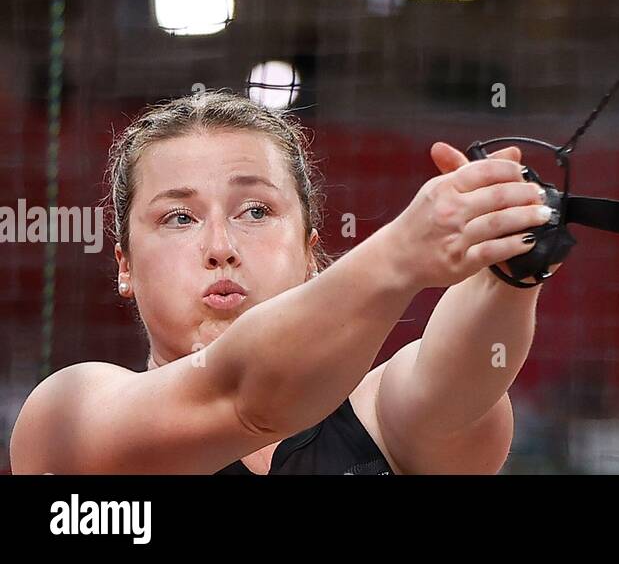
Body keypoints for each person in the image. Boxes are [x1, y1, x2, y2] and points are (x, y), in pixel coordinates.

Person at [10, 90, 559, 474]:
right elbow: (251, 393)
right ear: (125, 266)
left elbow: (455, 388)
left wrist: (510, 265)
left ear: (309, 251)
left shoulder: (381, 420)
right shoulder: (67, 416)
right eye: (179, 217)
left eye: (255, 210)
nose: (220, 246)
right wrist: (398, 255)